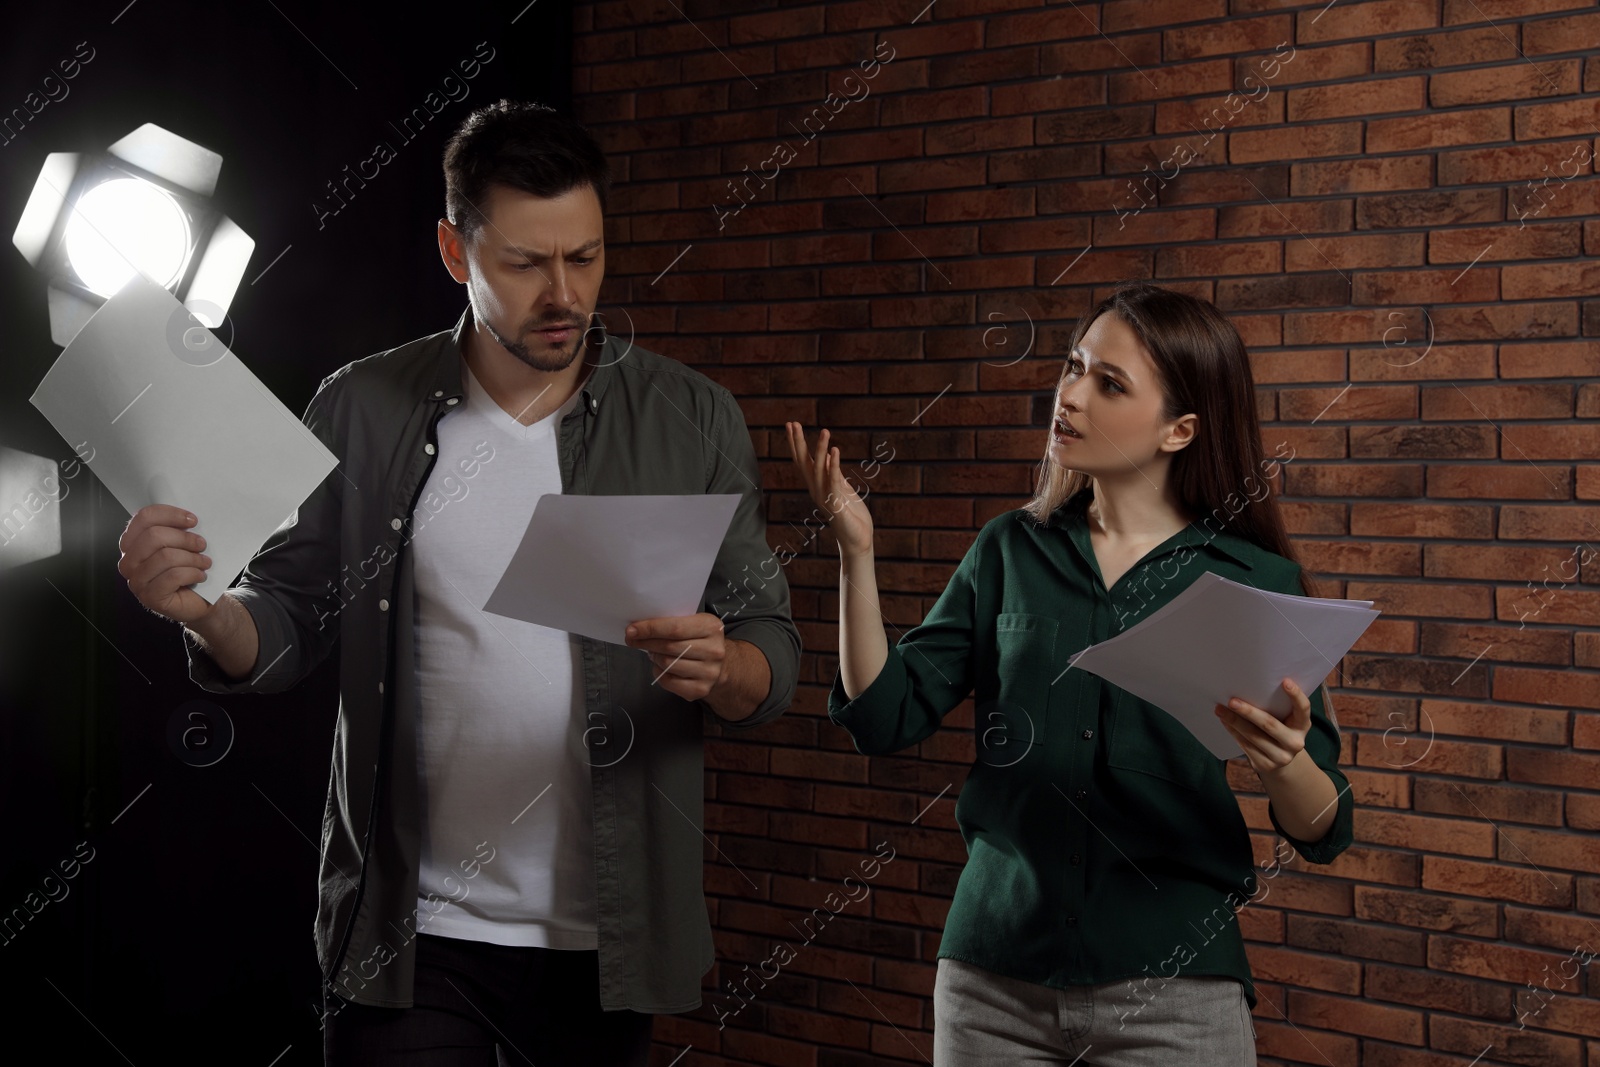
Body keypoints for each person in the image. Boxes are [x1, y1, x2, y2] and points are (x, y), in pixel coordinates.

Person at [117, 100, 801, 1066]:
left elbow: (773, 644)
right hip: (411, 936)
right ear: (453, 250)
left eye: (586, 257)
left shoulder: (691, 419)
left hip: (605, 938)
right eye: (525, 263)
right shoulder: (362, 405)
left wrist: (724, 664)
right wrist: (203, 611)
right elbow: (286, 622)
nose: (563, 293)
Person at [786, 282, 1354, 1065]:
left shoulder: (1255, 585)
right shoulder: (1008, 550)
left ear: (1179, 430)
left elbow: (1323, 822)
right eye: (1074, 366)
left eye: (1108, 383)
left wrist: (1287, 762)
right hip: (993, 986)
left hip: (1177, 994)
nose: (1071, 395)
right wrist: (856, 553)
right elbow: (887, 715)